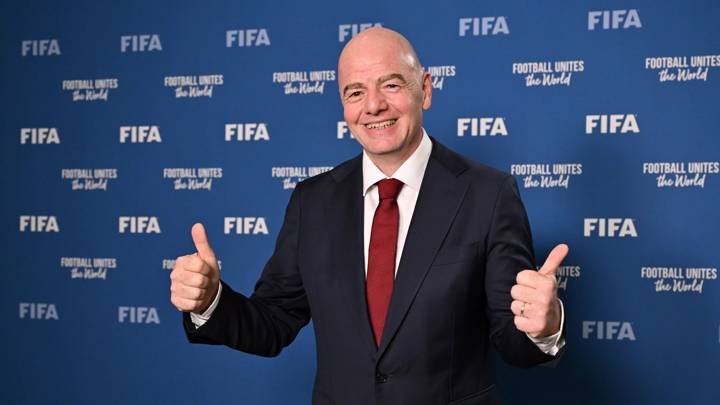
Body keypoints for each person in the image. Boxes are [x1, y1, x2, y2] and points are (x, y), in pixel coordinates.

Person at [170, 27, 567, 405]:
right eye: (355, 92)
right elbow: (272, 323)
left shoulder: (489, 194)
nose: (373, 105)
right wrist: (210, 302)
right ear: (344, 106)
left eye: (391, 85)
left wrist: (544, 326)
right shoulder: (313, 201)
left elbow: (513, 338)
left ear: (425, 90)